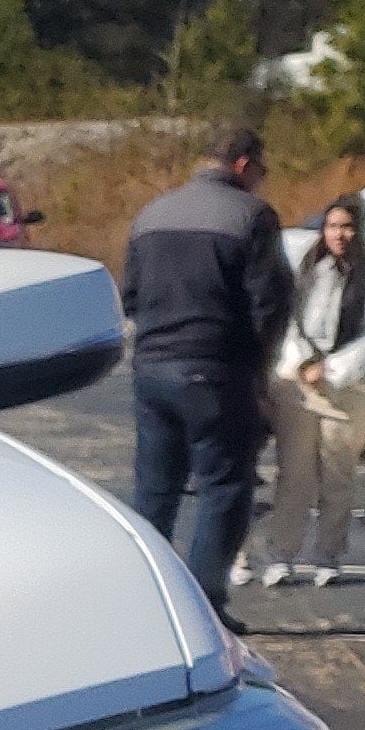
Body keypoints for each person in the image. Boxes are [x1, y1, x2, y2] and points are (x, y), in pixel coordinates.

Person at [119, 122, 294, 607]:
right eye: (262, 168)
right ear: (243, 165)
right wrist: (259, 372)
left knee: (155, 491)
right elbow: (271, 303)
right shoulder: (251, 215)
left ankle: (147, 603)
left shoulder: (152, 213)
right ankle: (203, 606)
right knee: (224, 488)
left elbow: (130, 295)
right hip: (216, 370)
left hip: (152, 369)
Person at [263, 196, 365, 586]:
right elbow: (289, 318)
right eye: (332, 226)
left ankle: (328, 554)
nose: (339, 235)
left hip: (349, 387)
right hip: (299, 385)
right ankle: (282, 553)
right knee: (294, 473)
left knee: (338, 474)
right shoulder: (309, 265)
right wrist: (301, 361)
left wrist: (333, 368)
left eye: (347, 227)